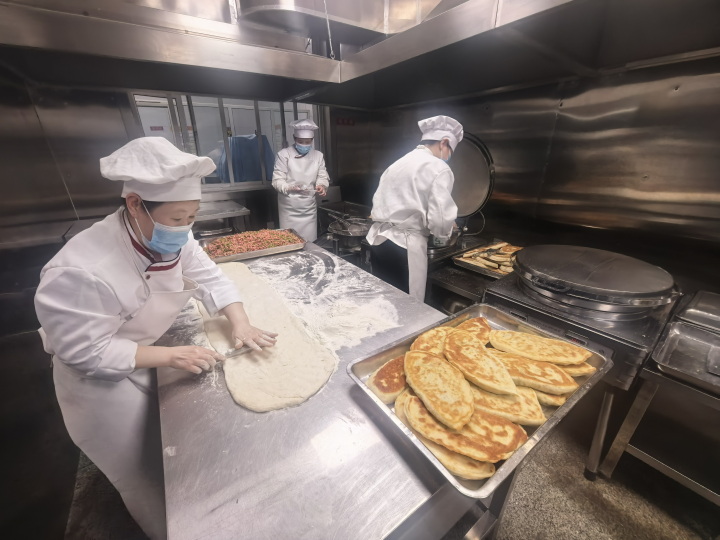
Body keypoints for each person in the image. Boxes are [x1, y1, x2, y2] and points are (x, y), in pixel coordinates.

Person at [34, 137, 277, 540]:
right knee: (145, 473)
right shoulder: (81, 270)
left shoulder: (174, 236)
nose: (185, 228)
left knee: (173, 453)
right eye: (178, 218)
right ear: (134, 204)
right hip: (98, 387)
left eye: (191, 217)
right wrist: (169, 356)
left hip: (145, 352)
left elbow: (211, 277)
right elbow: (85, 352)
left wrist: (240, 322)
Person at [366, 115, 463, 302]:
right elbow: (440, 218)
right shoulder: (439, 167)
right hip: (405, 248)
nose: (449, 155)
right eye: (450, 149)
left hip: (379, 241)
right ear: (444, 142)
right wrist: (445, 231)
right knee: (408, 307)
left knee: (385, 302)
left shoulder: (399, 162)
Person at [271, 119, 330, 242]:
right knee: (289, 241)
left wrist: (321, 185)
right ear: (294, 138)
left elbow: (322, 175)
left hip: (308, 208)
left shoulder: (318, 155)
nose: (304, 145)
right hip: (289, 208)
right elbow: (277, 180)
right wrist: (289, 187)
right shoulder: (284, 154)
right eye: (300, 141)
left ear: (312, 140)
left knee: (309, 242)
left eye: (308, 142)